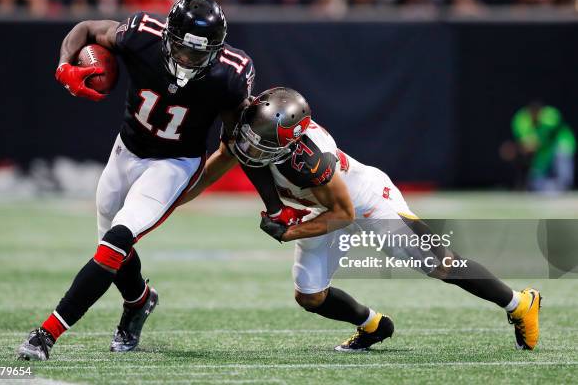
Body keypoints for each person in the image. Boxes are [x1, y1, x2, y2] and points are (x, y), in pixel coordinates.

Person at [17, 0, 297, 361]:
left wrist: (273, 205)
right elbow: (85, 28)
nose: (187, 61)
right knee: (113, 248)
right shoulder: (141, 34)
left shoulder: (231, 75)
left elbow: (238, 145)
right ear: (168, 35)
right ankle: (139, 301)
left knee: (115, 242)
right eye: (182, 50)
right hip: (126, 149)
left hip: (174, 163)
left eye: (199, 54)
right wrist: (63, 65)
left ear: (216, 49)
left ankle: (46, 335)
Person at [184, 87, 542, 351]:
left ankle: (519, 303)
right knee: (310, 296)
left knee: (440, 264)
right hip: (321, 209)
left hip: (366, 202)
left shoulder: (310, 157)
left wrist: (290, 231)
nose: (250, 150)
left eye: (263, 145)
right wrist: (164, 204)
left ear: (291, 142)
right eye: (250, 140)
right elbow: (207, 175)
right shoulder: (254, 131)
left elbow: (344, 214)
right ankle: (373, 325)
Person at [511, 101, 575, 192]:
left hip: (561, 143)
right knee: (536, 177)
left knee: (563, 162)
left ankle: (562, 187)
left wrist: (532, 143)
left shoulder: (550, 116)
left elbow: (540, 139)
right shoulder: (522, 120)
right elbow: (527, 144)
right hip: (543, 150)